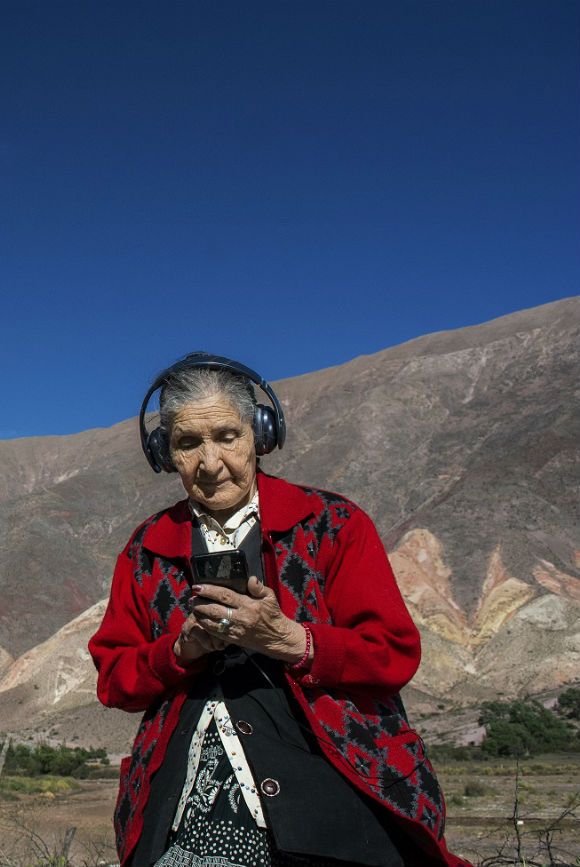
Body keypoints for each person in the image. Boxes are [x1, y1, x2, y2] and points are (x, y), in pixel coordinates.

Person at [87, 353, 469, 867]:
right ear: (164, 452)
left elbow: (393, 654)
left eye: (226, 436)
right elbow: (114, 678)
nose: (209, 462)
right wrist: (180, 649)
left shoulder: (332, 524)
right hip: (188, 800)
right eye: (187, 443)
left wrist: (291, 640)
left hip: (338, 787)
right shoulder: (147, 549)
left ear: (260, 434)